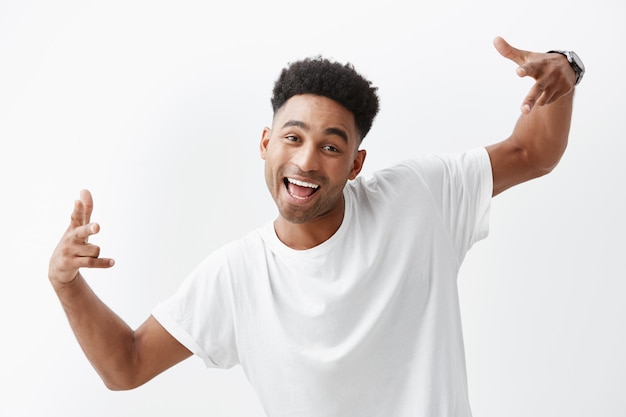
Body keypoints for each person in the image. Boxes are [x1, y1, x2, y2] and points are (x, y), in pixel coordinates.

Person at [48, 37, 583, 416]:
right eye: (292, 137)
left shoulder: (417, 197)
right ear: (265, 142)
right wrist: (67, 285)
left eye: (331, 146)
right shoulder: (238, 275)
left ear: (355, 164)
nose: (306, 161)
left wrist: (565, 68)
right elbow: (127, 366)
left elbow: (531, 151)